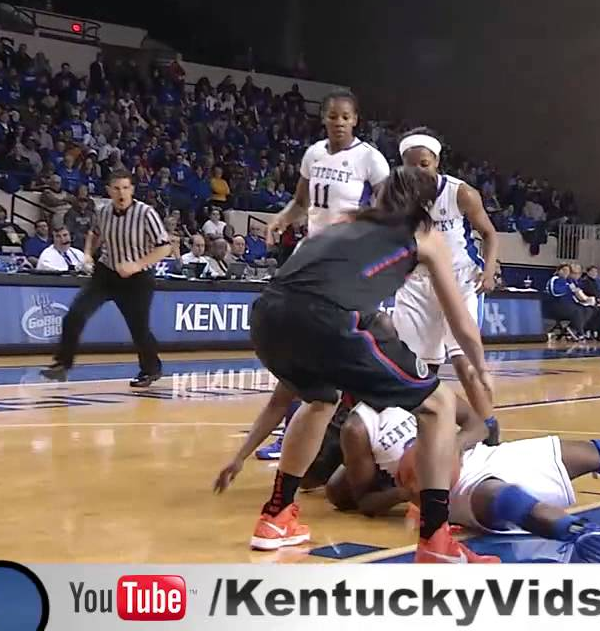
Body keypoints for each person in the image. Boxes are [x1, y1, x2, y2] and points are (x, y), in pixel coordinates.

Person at [212, 166, 499, 564]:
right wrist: (481, 367)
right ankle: (436, 543)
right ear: (426, 204)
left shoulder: (343, 223)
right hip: (330, 316)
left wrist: (242, 454)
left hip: (267, 313)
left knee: (318, 399)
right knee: (438, 406)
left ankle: (276, 516)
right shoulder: (426, 236)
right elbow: (460, 319)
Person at [322, 401, 600, 562]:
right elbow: (366, 503)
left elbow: (479, 424)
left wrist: (451, 449)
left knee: (595, 454)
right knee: (501, 497)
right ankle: (593, 539)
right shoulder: (359, 426)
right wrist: (410, 490)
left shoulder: (426, 388)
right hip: (445, 488)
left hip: (477, 455)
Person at [254, 90, 390, 461]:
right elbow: (301, 203)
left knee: (344, 349)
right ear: (325, 118)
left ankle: (362, 432)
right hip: (312, 260)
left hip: (349, 263)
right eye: (333, 116)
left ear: (355, 119)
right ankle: (292, 434)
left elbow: (390, 209)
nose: (339, 122)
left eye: (345, 117)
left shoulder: (370, 159)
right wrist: (282, 218)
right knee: (298, 346)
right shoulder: (313, 154)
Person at [392, 128, 501, 442]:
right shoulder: (397, 195)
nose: (418, 171)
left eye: (424, 164)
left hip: (459, 281)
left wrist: (490, 268)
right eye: (412, 166)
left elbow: (489, 233)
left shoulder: (461, 193)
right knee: (416, 367)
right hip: (416, 282)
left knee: (464, 363)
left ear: (436, 162)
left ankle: (490, 432)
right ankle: (416, 435)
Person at [41, 170, 171, 388]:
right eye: (117, 188)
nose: (122, 193)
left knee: (139, 329)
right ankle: (62, 365)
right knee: (75, 313)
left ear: (132, 189)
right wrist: (88, 253)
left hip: (137, 277)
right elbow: (95, 233)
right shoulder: (103, 212)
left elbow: (165, 247)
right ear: (109, 191)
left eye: (126, 188)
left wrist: (137, 265)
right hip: (106, 273)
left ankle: (150, 369)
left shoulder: (146, 213)